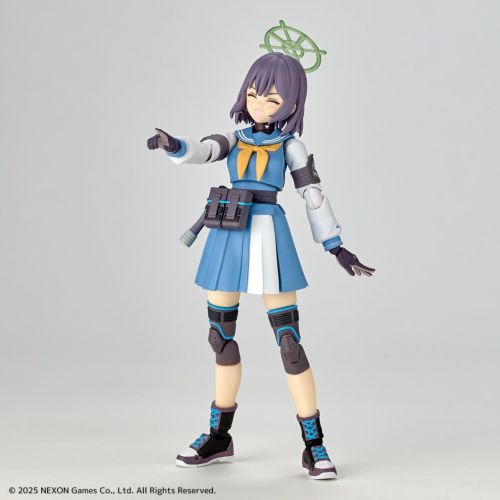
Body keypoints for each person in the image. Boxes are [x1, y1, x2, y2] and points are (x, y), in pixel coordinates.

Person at [147, 52, 375, 479]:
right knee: (220, 338)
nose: (259, 104)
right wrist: (172, 145)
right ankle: (219, 436)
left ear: (292, 103)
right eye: (253, 94)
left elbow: (312, 195)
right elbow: (202, 150)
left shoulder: (290, 145)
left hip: (268, 234)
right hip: (227, 233)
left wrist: (335, 246)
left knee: (289, 343)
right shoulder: (233, 138)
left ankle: (314, 445)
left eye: (272, 99)